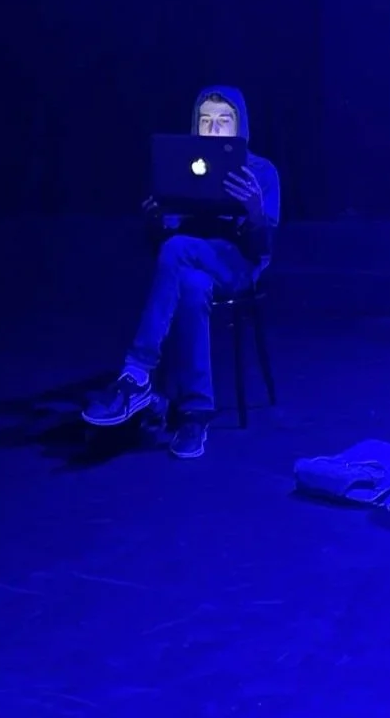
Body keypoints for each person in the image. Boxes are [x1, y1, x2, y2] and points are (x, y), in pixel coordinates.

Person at [82, 86, 280, 458]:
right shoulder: (187, 169)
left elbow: (263, 249)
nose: (214, 129)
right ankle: (196, 413)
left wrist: (253, 211)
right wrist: (157, 220)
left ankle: (137, 372)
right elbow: (162, 245)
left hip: (237, 266)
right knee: (190, 284)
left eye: (224, 121)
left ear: (240, 126)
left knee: (179, 250)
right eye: (206, 122)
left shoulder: (261, 172)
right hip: (193, 264)